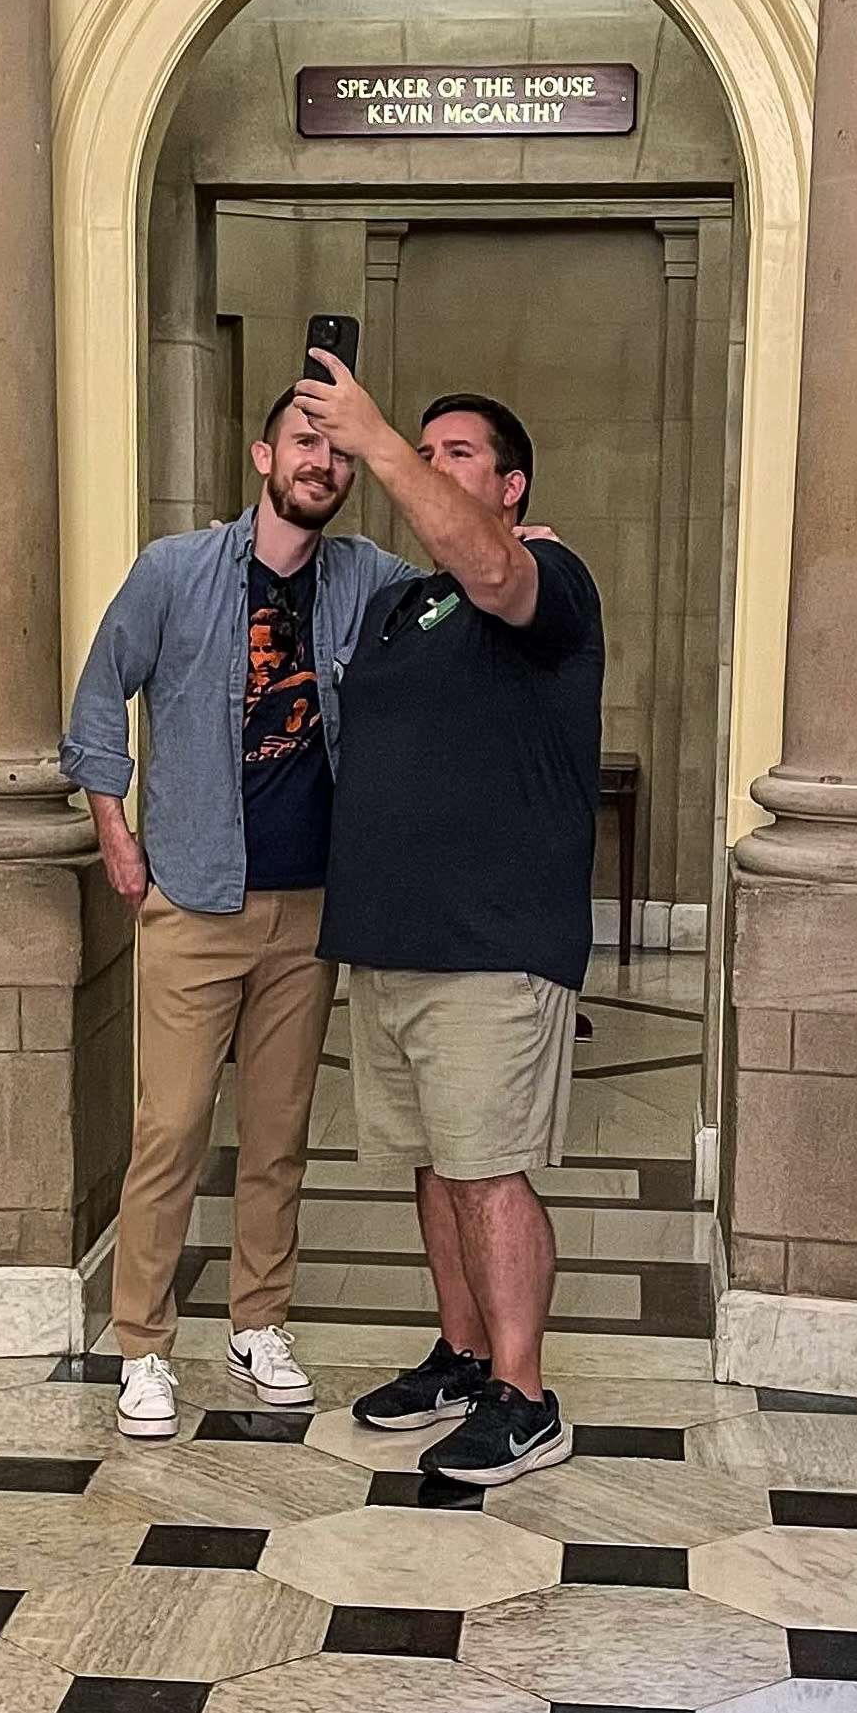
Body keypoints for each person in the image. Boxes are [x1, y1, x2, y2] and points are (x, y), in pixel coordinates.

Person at [60, 389, 415, 1439]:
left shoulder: (366, 580)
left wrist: (524, 542)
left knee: (278, 1133)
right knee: (169, 1128)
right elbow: (96, 694)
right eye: (304, 443)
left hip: (310, 908)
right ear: (262, 453)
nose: (320, 463)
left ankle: (259, 1321)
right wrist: (115, 832)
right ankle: (142, 1343)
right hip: (196, 899)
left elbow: (464, 591)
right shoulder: (175, 570)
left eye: (335, 449)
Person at [293, 358, 604, 1486]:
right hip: (390, 935)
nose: (429, 466)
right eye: (420, 453)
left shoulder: (547, 577)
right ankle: (465, 1355)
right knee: (432, 1164)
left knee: (488, 1169)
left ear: (512, 485)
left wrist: (374, 439)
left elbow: (491, 567)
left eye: (454, 453)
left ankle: (525, 1396)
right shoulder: (395, 605)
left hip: (492, 940)